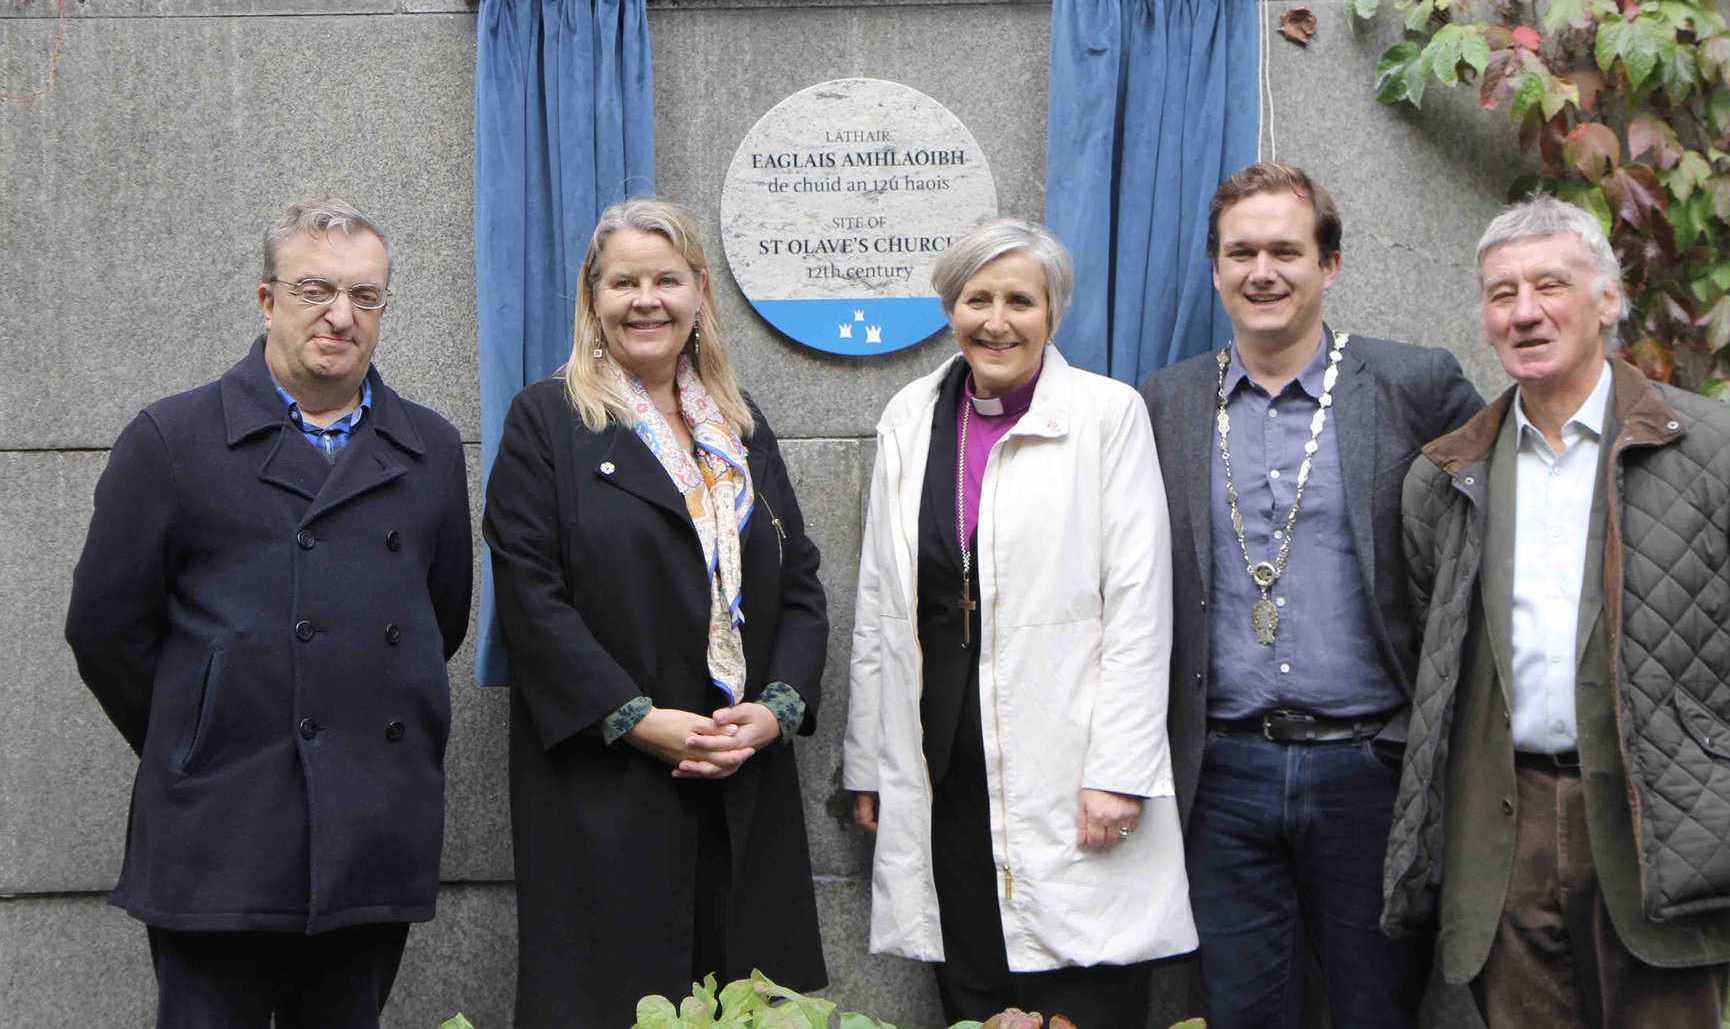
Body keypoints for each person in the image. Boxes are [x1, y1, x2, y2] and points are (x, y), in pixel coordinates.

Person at [1380, 195, 1730, 1028]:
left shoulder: (1716, 449)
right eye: (1501, 293)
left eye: (1550, 284)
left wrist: (1716, 788)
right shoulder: (1446, 477)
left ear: (1607, 300)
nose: (1525, 313)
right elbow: (1435, 656)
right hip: (1506, 830)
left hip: (1656, 822)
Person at [64, 198, 473, 1029]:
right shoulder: (173, 439)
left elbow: (440, 617)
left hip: (371, 824)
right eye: (315, 289)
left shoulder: (430, 448)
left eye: (365, 297)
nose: (339, 316)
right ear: (266, 300)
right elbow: (105, 629)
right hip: (221, 828)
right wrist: (203, 726)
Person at [1140, 162, 1483, 1029]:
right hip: (1222, 776)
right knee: (1241, 1013)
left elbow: (1492, 543)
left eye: (1287, 250)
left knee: (1380, 1009)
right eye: (1241, 251)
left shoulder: (1413, 385)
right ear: (1215, 269)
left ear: (1329, 265)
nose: (1264, 270)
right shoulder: (1165, 403)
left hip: (1370, 768)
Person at [483, 198, 828, 1026]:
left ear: (699, 292)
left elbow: (802, 585)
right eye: (624, 281)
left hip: (740, 775)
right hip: (610, 787)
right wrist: (637, 718)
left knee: (742, 1004)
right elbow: (531, 598)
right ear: (592, 301)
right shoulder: (548, 421)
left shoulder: (738, 427)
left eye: (667, 280)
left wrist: (775, 714)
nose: (648, 300)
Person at [843, 219, 1196, 1029]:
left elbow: (1142, 608)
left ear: (1053, 313)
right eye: (977, 299)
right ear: (949, 309)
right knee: (974, 981)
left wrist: (1119, 770)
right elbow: (881, 607)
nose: (996, 320)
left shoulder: (1107, 416)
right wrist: (869, 760)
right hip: (946, 758)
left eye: (1019, 301)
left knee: (1083, 978)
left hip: (1068, 750)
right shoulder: (912, 416)